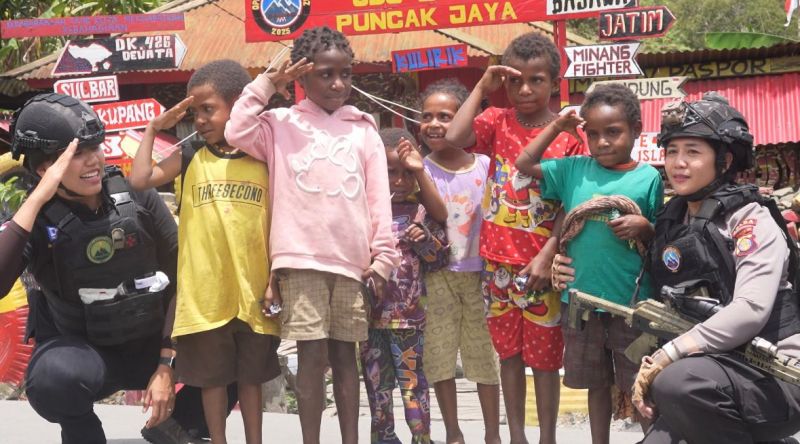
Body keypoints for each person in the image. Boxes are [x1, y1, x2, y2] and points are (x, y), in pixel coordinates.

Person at [224, 26, 401, 444]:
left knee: (345, 359)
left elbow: (379, 199)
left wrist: (384, 258)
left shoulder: (363, 130)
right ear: (302, 76)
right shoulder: (279, 124)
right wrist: (268, 84)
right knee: (311, 356)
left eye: (346, 74)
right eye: (325, 74)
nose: (338, 83)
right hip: (301, 260)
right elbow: (236, 130)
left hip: (353, 264)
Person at [0, 93, 210, 444]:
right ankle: (84, 434)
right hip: (86, 354)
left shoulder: (137, 196)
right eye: (76, 154)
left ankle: (177, 425)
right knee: (52, 379)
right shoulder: (37, 220)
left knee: (238, 345)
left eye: (95, 147)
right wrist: (37, 198)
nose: (93, 160)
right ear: (44, 169)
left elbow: (183, 275)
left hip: (152, 344)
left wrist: (167, 362)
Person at [630, 92, 800, 443]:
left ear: (724, 160)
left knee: (678, 383)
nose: (678, 163)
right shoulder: (673, 220)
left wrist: (669, 355)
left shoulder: (751, 220)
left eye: (693, 152)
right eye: (672, 151)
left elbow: (750, 310)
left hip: (777, 374)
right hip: (712, 370)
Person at [129, 59, 281, 444]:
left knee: (250, 380)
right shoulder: (192, 154)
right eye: (194, 111)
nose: (199, 120)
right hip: (205, 297)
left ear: (238, 105)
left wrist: (274, 280)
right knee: (213, 381)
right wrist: (152, 129)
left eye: (208, 109)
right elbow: (140, 178)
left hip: (252, 292)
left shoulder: (264, 157)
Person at [445, 32, 585, 444]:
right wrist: (481, 87)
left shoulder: (569, 135)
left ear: (554, 82)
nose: (524, 89)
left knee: (544, 361)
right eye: (515, 81)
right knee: (509, 355)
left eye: (536, 80)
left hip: (542, 266)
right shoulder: (496, 120)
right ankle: (517, 436)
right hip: (497, 263)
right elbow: (454, 137)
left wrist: (548, 254)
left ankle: (547, 438)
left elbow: (571, 203)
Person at [516, 83, 663, 444]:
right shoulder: (574, 169)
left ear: (636, 130)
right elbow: (524, 163)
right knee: (596, 385)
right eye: (592, 134)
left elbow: (661, 239)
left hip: (631, 305)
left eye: (613, 132)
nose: (602, 142)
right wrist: (557, 125)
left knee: (642, 384)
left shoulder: (648, 177)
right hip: (581, 303)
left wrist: (645, 227)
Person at [419, 78, 502, 444]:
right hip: (437, 276)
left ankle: (492, 434)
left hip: (481, 276)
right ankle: (453, 432)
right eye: (427, 116)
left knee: (484, 357)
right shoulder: (420, 169)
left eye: (446, 116)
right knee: (439, 356)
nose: (435, 124)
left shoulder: (484, 165)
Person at [359, 128, 447, 444]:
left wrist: (424, 241)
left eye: (407, 173)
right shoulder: (363, 212)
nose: (399, 181)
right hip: (369, 318)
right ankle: (383, 438)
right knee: (376, 386)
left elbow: (439, 259)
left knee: (413, 384)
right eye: (390, 172)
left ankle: (421, 437)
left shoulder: (422, 211)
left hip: (409, 320)